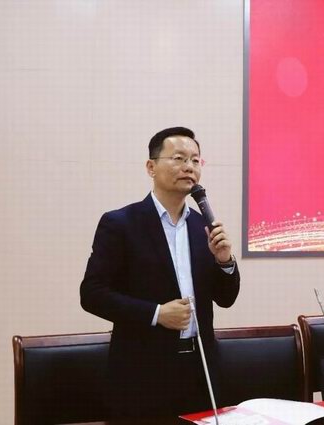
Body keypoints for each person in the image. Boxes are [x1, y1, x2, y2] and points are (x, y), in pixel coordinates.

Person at [80, 127, 240, 417]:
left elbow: (226, 299)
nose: (189, 167)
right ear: (151, 167)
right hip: (143, 375)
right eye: (179, 158)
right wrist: (156, 314)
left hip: (201, 372)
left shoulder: (202, 226)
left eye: (195, 160)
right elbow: (92, 294)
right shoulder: (121, 224)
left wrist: (224, 261)